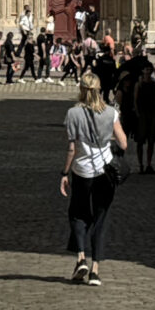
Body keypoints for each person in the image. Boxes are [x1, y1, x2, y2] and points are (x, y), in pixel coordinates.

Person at [61, 71, 128, 286]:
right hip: (104, 170)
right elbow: (124, 143)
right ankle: (95, 270)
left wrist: (64, 173)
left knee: (78, 213)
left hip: (82, 171)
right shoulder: (110, 112)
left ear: (81, 89)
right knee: (101, 218)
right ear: (99, 89)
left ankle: (81, 257)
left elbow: (72, 148)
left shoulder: (73, 113)